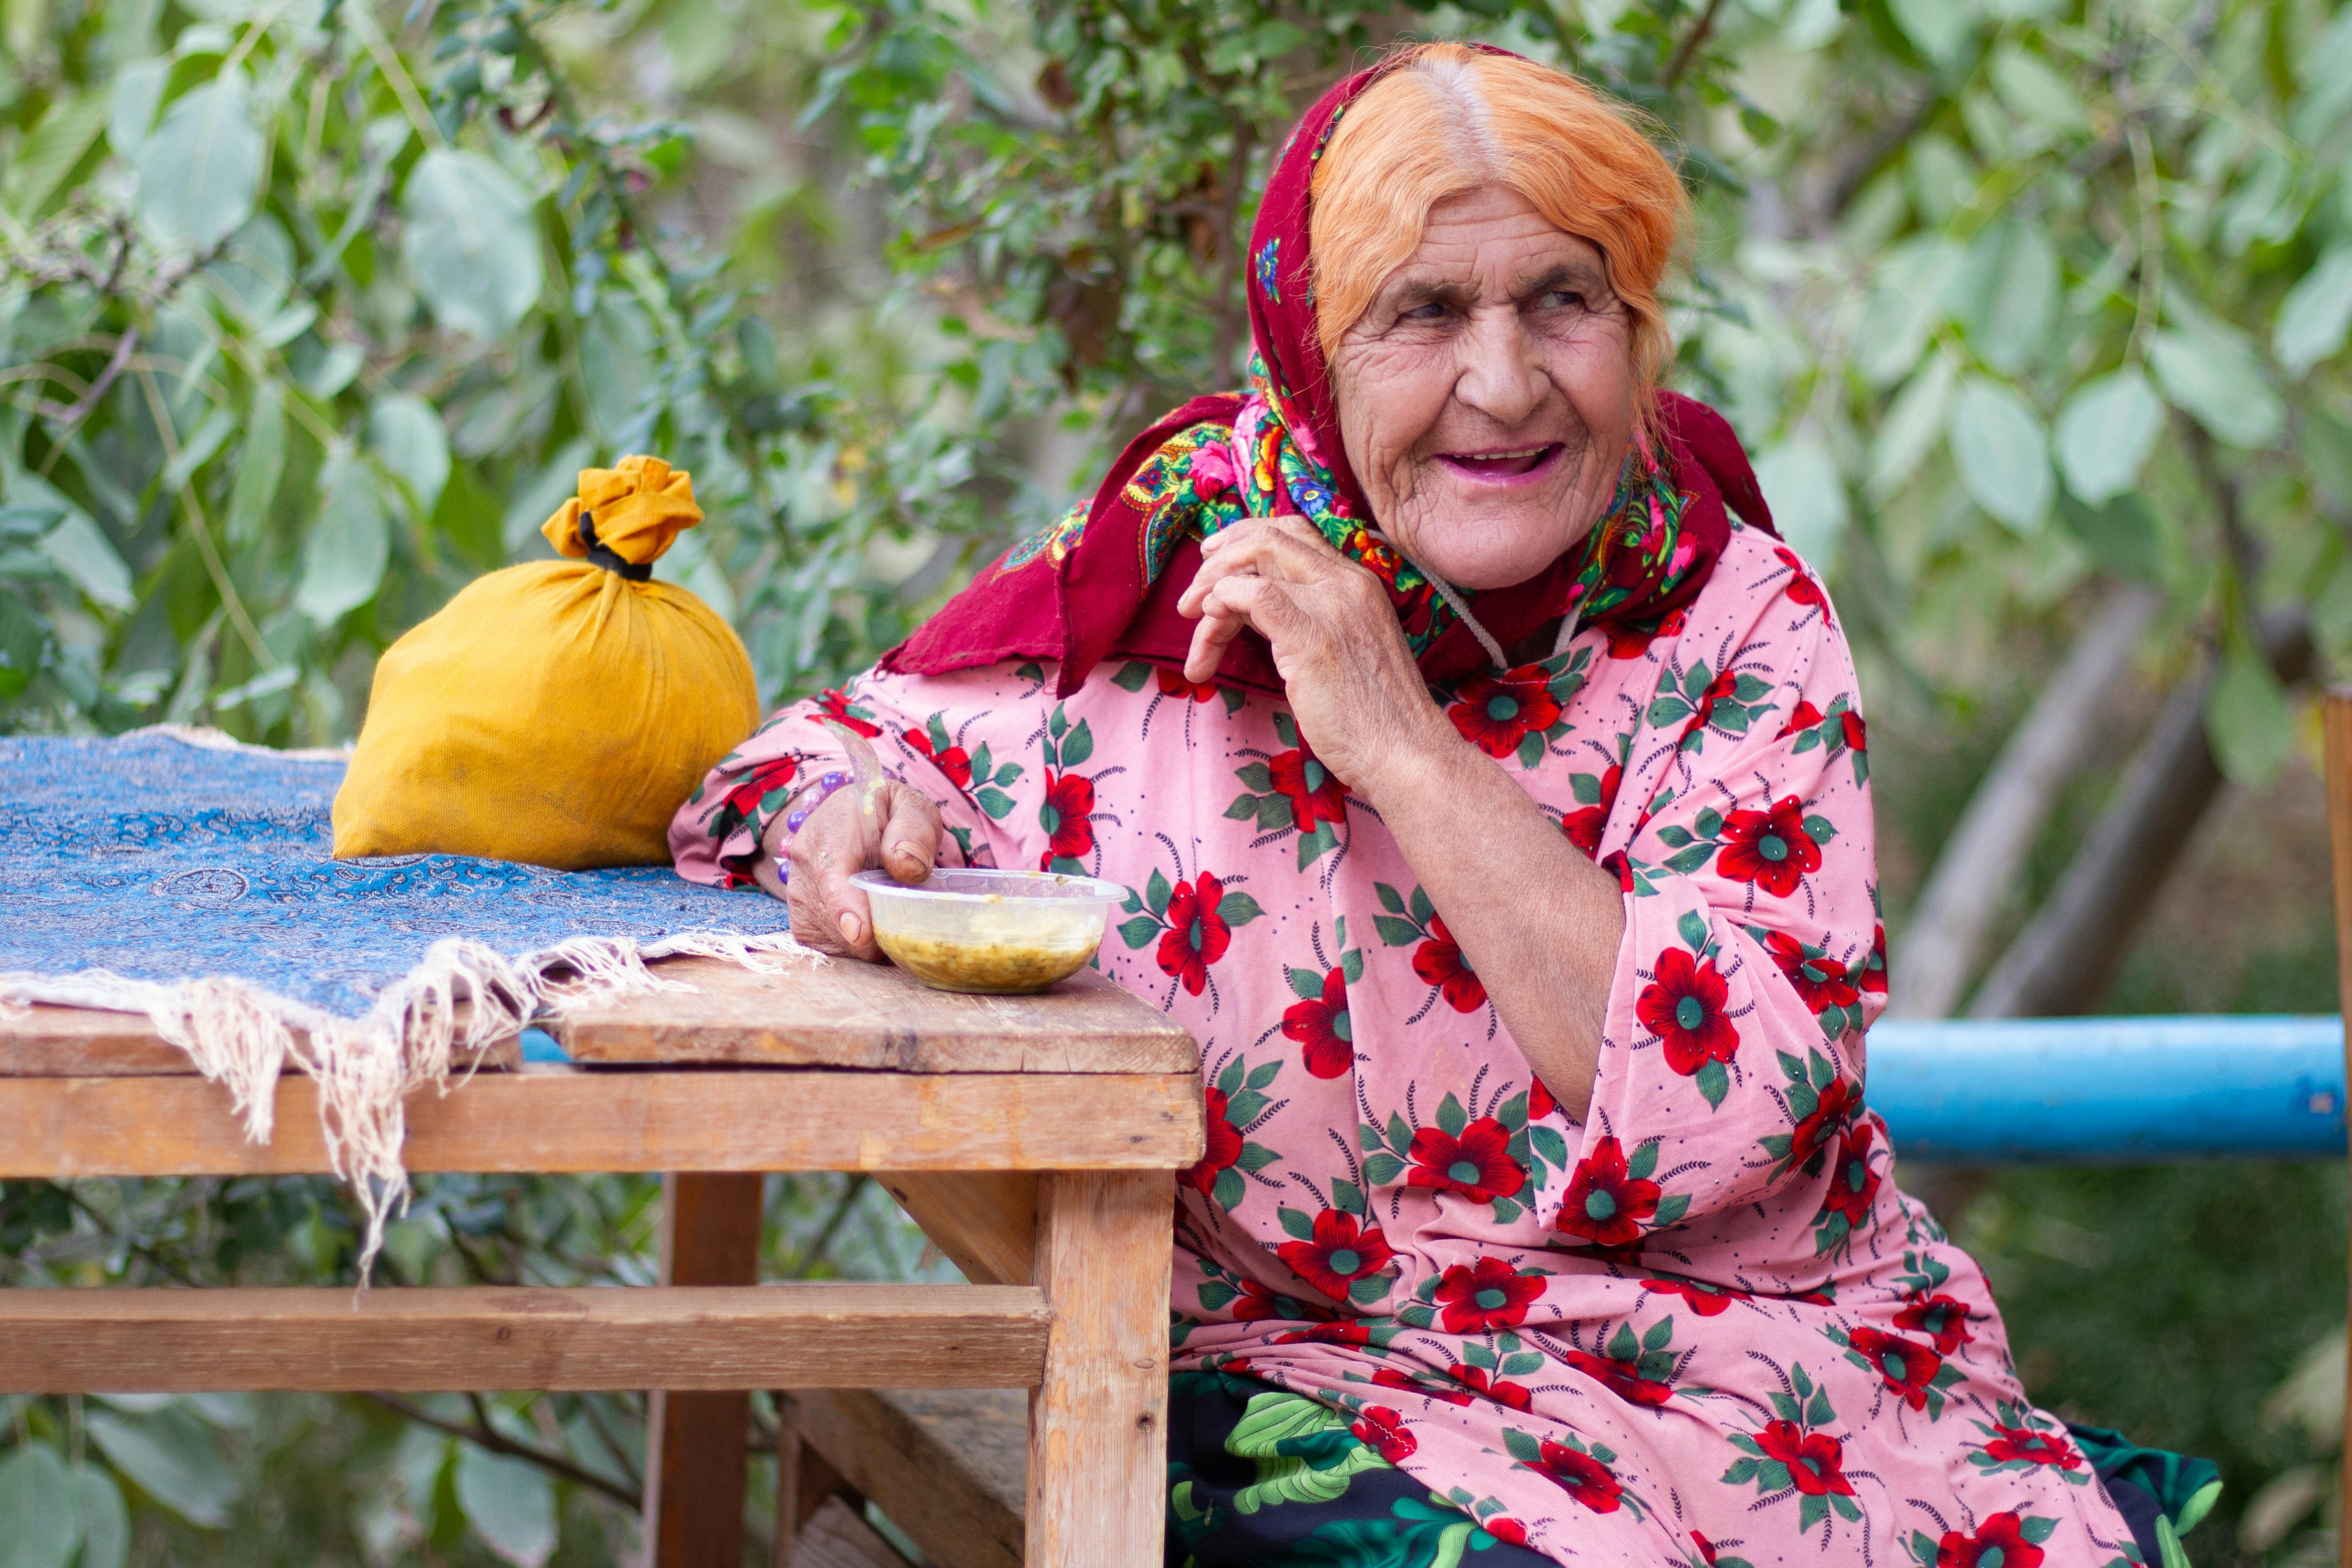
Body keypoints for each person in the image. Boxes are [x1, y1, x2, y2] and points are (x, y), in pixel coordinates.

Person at [674, 43, 2200, 1568]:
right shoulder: (1185, 580)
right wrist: (849, 831)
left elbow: (1729, 1114)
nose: (1506, 381)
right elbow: (804, 772)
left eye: (1565, 298)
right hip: (1334, 1375)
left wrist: (1399, 741)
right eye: (1423, 313)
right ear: (1308, 348)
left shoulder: (1734, 617)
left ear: (1640, 322)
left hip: (1783, 1374)